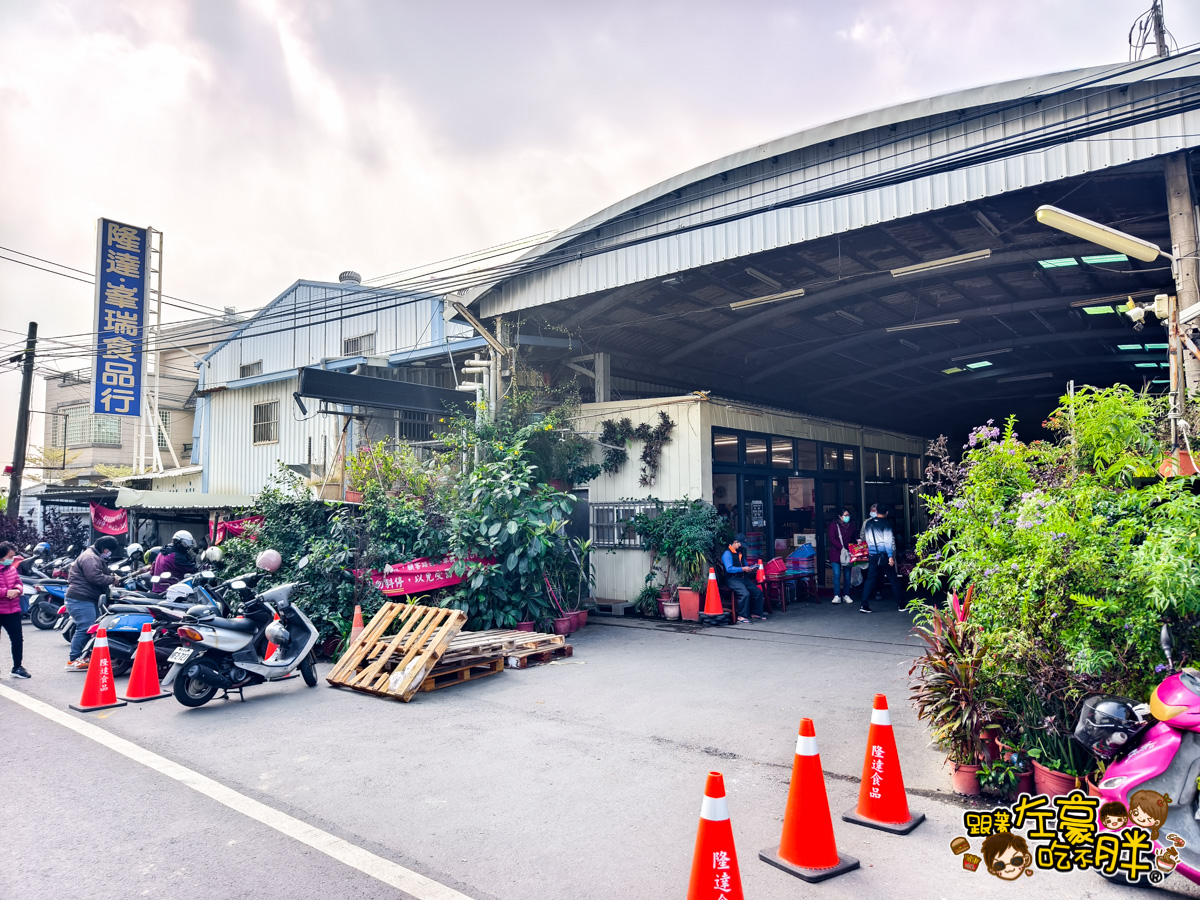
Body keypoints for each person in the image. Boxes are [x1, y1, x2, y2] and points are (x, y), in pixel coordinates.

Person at [64, 535, 122, 669]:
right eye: (109, 551)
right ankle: (73, 660)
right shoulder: (90, 557)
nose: (109, 554)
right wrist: (112, 579)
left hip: (87, 598)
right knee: (85, 627)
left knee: (93, 627)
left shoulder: (92, 556)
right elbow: (95, 578)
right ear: (104, 548)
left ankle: (83, 656)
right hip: (80, 598)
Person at [859, 504, 902, 614]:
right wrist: (890, 556)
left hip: (873, 555)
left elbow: (865, 538)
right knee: (893, 579)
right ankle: (901, 604)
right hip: (884, 555)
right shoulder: (886, 524)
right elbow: (887, 541)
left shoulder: (868, 523)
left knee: (870, 579)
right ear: (887, 513)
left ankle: (864, 605)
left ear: (876, 512)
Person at [0, 542, 30, 679]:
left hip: (12, 610)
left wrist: (17, 590)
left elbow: (19, 582)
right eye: (10, 556)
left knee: (17, 639)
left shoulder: (11, 569)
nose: (12, 559)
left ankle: (17, 667)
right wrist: (6, 593)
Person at [721, 533, 764, 623]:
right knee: (745, 594)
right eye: (741, 544)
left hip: (742, 578)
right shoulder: (727, 554)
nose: (742, 547)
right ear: (735, 542)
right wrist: (743, 569)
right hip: (732, 579)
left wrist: (751, 567)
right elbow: (729, 569)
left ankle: (756, 613)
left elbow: (745, 565)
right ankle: (741, 616)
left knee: (758, 592)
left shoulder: (740, 553)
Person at [826, 508, 855, 604]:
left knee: (847, 576)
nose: (847, 517)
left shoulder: (852, 526)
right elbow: (832, 539)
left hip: (848, 553)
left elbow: (855, 537)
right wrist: (841, 547)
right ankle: (837, 595)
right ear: (840, 516)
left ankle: (846, 594)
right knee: (837, 575)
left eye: (848, 515)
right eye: (845, 515)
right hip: (836, 553)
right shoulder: (834, 525)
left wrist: (857, 543)